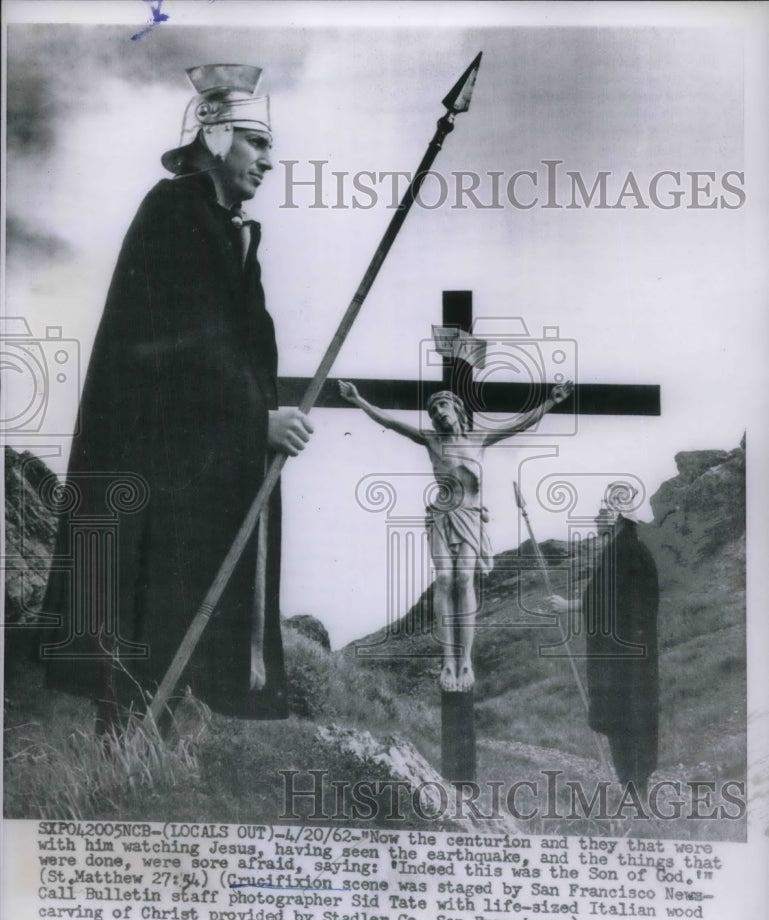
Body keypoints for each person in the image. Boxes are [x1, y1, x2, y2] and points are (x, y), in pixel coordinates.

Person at [39, 64, 313, 730]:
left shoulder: (221, 226)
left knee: (174, 632)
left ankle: (154, 750)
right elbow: (179, 353)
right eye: (257, 143)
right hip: (157, 463)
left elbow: (232, 350)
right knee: (146, 620)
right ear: (215, 139)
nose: (269, 161)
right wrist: (255, 423)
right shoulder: (175, 215)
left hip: (194, 462)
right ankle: (129, 756)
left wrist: (256, 418)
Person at [338, 378, 574, 692]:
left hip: (470, 515)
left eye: (442, 405)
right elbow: (390, 422)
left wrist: (551, 401)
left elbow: (519, 423)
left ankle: (466, 661)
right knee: (445, 579)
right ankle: (448, 660)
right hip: (442, 515)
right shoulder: (431, 440)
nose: (438, 412)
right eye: (433, 409)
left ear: (457, 408)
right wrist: (358, 400)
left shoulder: (479, 438)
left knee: (463, 578)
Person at [548, 497, 660, 792]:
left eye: (603, 513)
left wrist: (568, 606)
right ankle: (636, 787)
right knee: (633, 717)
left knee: (623, 718)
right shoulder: (629, 549)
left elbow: (606, 601)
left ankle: (634, 790)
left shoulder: (623, 551)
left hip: (622, 658)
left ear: (619, 518)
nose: (596, 519)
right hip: (631, 654)